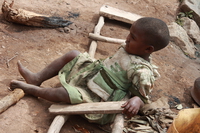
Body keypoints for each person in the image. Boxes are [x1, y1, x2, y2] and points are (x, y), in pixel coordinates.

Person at [10, 17, 170, 125]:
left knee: (63, 94)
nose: (127, 38)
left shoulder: (143, 72)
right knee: (74, 54)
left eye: (133, 37)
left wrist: (137, 101)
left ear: (148, 49)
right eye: (129, 34)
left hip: (101, 94)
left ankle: (34, 90)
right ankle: (37, 78)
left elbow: (143, 96)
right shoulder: (131, 48)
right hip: (96, 72)